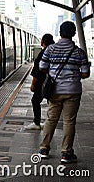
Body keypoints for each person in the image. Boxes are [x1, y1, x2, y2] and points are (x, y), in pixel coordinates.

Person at [38, 21, 90, 163]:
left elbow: (42, 67)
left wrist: (54, 72)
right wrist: (73, 74)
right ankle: (66, 153)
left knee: (51, 119)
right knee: (69, 121)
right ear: (73, 34)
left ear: (60, 33)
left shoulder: (50, 49)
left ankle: (44, 149)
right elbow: (85, 74)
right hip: (73, 91)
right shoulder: (79, 52)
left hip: (54, 90)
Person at [25, 34, 54, 130]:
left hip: (42, 82)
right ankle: (50, 123)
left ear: (43, 42)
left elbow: (37, 71)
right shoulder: (54, 51)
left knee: (35, 100)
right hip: (53, 81)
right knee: (51, 102)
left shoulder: (43, 53)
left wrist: (33, 84)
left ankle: (36, 122)